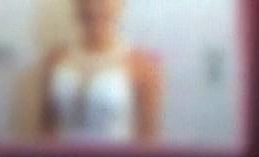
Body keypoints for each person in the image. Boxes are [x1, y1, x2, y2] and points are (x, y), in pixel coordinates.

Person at [32, 0, 162, 143]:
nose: (94, 8)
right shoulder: (55, 60)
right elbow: (45, 130)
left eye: (103, 2)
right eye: (87, 2)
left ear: (119, 5)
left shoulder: (142, 65)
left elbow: (148, 138)